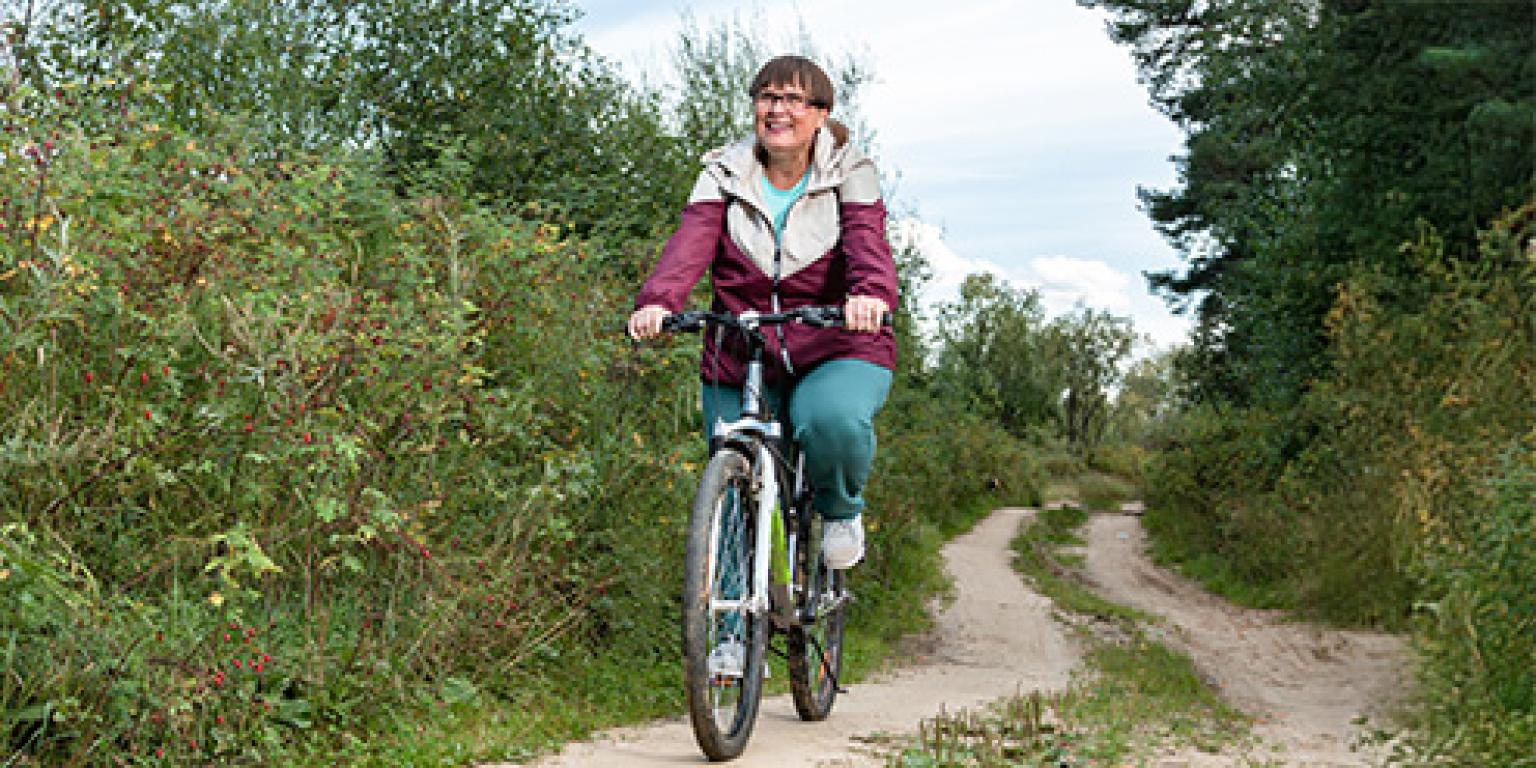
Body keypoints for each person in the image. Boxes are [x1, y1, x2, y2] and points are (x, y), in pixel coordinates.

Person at [628, 55, 897, 570]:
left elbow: (867, 242)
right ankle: (729, 637)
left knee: (831, 420)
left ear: (820, 113)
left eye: (794, 99)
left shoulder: (850, 171)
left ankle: (840, 512)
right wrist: (660, 302)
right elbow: (691, 243)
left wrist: (869, 296)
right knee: (732, 491)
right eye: (768, 97)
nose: (778, 110)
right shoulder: (724, 173)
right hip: (742, 347)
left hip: (836, 341)